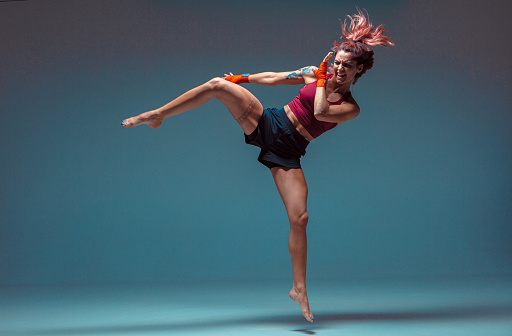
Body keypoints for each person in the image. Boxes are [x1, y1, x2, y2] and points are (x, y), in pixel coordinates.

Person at [121, 9, 393, 323]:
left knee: (300, 218)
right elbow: (276, 78)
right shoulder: (314, 73)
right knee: (216, 86)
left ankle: (299, 288)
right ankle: (157, 115)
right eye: (337, 62)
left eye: (347, 65)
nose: (339, 69)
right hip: (269, 122)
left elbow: (320, 111)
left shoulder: (350, 107)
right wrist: (241, 79)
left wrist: (320, 79)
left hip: (289, 149)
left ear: (359, 70)